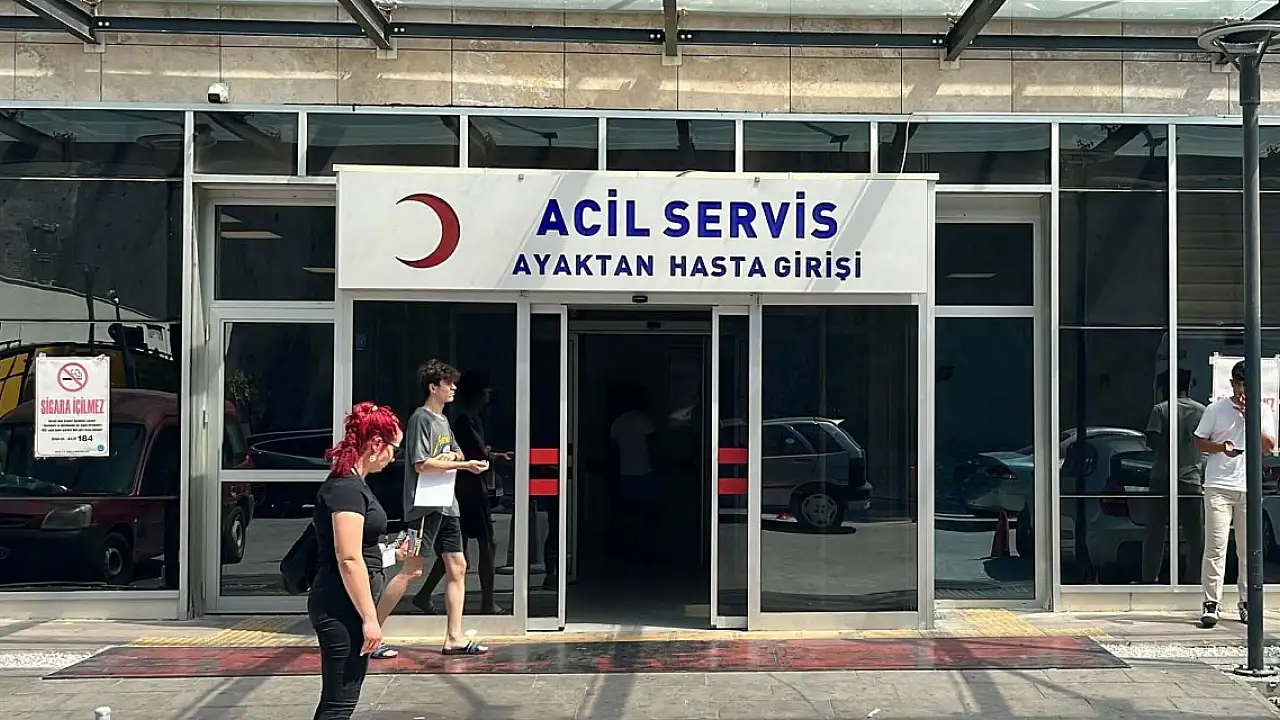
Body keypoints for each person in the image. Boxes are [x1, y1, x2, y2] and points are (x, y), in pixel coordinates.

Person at [376, 359, 491, 655]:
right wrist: (462, 464)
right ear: (432, 387)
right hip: (425, 507)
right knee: (412, 570)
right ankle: (370, 633)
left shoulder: (443, 420)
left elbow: (456, 452)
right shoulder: (421, 419)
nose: (453, 388)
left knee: (458, 566)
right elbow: (422, 464)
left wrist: (456, 459)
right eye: (447, 383)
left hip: (446, 504)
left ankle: (454, 636)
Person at [308, 402, 408, 720]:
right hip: (340, 605)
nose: (393, 457)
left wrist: (391, 554)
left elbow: (361, 551)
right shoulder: (347, 490)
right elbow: (348, 559)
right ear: (376, 444)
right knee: (339, 702)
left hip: (346, 602)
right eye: (394, 448)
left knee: (341, 699)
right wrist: (370, 619)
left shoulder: (354, 485)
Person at [417, 370, 513, 615]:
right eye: (486, 392)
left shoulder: (460, 419)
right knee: (482, 544)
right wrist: (490, 456)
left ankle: (425, 594)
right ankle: (488, 601)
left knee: (456, 551)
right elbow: (474, 452)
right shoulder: (461, 420)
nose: (489, 396)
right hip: (469, 489)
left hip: (463, 487)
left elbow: (465, 451)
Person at [1194, 360, 1278, 627]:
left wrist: (1250, 417)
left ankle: (1247, 602)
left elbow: (1269, 447)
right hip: (1219, 486)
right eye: (1240, 385)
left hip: (1248, 487)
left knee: (1249, 549)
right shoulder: (1215, 409)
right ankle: (1211, 603)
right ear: (1232, 384)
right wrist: (1220, 448)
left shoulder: (1263, 410)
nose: (1243, 391)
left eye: (1247, 385)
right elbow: (1199, 443)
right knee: (1216, 546)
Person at [1141, 370, 1206, 585]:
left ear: (1165, 388)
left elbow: (1151, 441)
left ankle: (1149, 578)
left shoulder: (1161, 409)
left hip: (1162, 477)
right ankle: (1194, 578)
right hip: (1191, 478)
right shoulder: (1202, 411)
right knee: (1195, 535)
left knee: (1155, 532)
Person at [609, 383, 659, 560]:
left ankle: (630, 548)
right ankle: (645, 548)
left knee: (629, 513)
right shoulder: (643, 420)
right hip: (645, 471)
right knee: (648, 513)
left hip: (625, 473)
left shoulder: (618, 422)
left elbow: (613, 450)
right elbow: (653, 446)